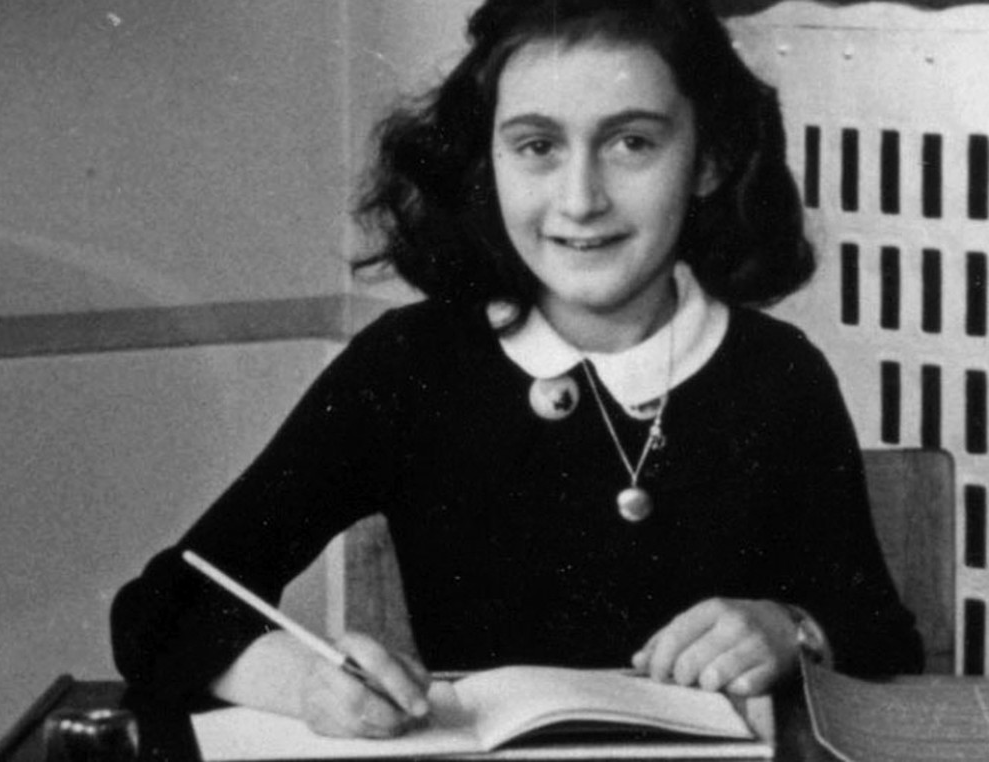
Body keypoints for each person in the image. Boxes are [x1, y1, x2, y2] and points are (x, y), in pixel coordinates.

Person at [111, 0, 923, 740]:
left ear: (710, 160)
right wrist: (306, 684)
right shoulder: (408, 366)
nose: (580, 199)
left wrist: (790, 627)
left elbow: (883, 639)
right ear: (484, 165)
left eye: (632, 143)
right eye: (536, 146)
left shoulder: (778, 375)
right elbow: (161, 609)